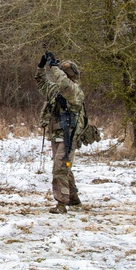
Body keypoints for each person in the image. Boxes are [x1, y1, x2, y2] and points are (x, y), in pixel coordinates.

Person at [36, 52, 86, 214]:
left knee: (60, 168)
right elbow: (41, 82)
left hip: (69, 136)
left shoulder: (74, 91)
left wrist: (55, 68)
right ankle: (73, 198)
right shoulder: (55, 90)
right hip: (57, 134)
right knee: (64, 167)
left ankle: (61, 203)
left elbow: (65, 84)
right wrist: (41, 67)